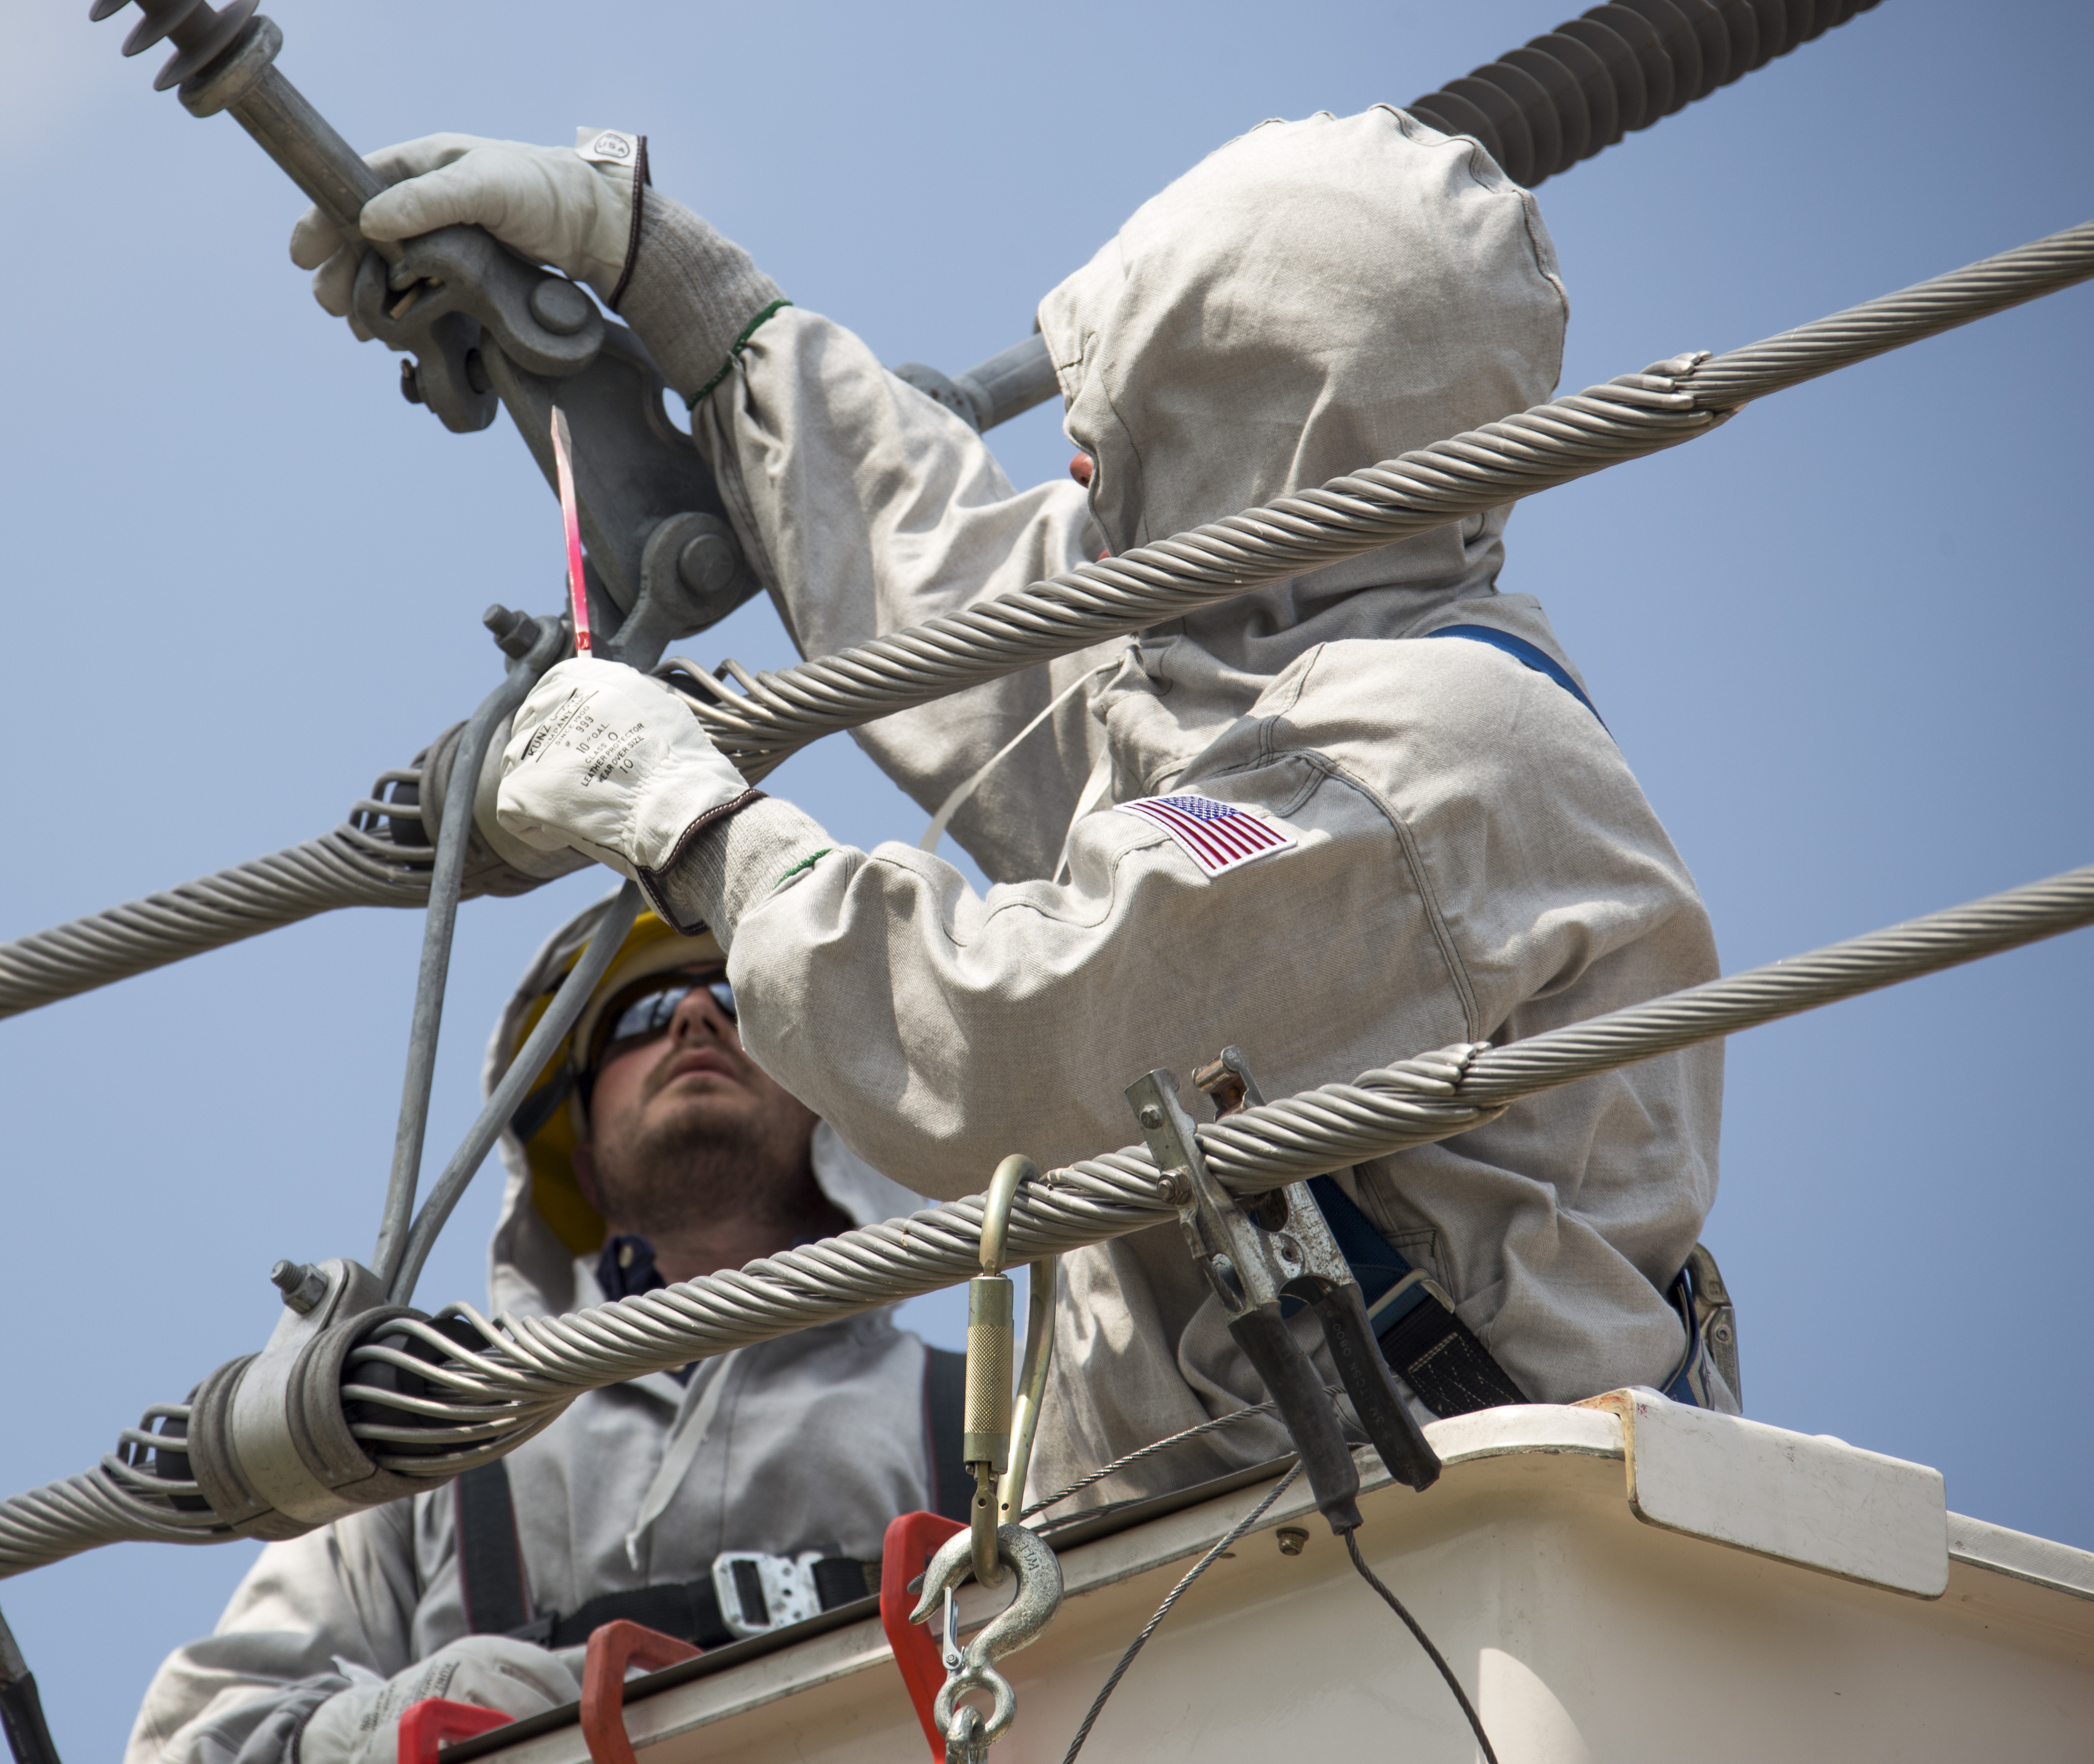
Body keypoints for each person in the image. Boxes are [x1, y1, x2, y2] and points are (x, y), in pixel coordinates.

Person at [289, 106, 1741, 1515]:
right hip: (1251, 1546)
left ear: (1252, 431)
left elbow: (1005, 1047)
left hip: (1431, 1545)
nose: (1080, 456)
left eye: (1135, 408)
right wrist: (661, 269)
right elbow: (949, 580)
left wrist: (688, 821)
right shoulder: (1230, 657)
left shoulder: (1434, 757)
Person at [125, 902, 968, 1764]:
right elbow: (193, 1738)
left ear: (833, 1124)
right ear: (583, 1165)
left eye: (741, 1005)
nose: (694, 1015)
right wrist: (397, 1718)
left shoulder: (983, 1418)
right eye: (640, 1017)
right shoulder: (433, 1435)